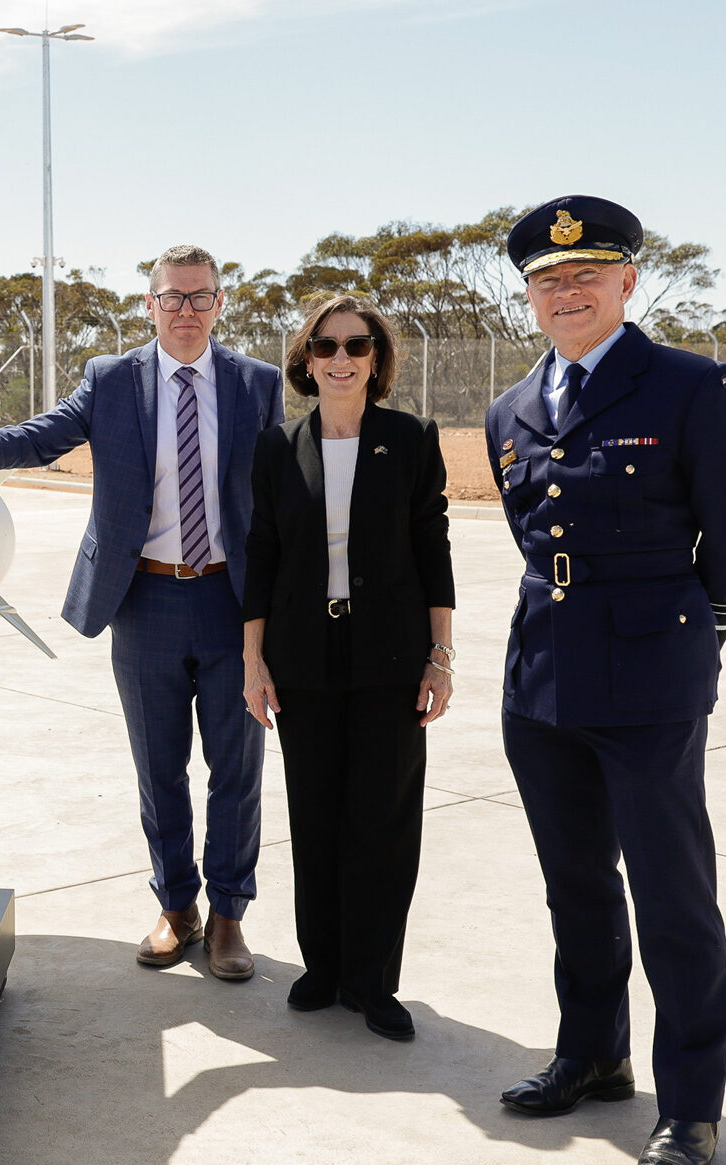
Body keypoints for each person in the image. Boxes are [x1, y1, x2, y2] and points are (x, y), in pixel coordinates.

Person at [486, 196, 726, 1165]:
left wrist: (698, 634)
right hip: (540, 678)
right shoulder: (509, 408)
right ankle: (590, 1056)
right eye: (544, 279)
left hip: (650, 673)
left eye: (583, 273)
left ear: (625, 282)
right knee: (572, 883)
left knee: (670, 894)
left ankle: (687, 1103)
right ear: (525, 295)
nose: (563, 291)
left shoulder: (694, 387)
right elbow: (534, 538)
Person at [0, 245, 284, 979]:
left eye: (200, 297)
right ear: (149, 305)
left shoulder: (255, 383)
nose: (186, 311)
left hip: (231, 601)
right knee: (158, 768)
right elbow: (44, 436)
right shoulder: (113, 380)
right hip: (143, 600)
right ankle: (178, 908)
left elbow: (277, 493)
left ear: (221, 303)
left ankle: (230, 915)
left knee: (236, 769)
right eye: (172, 298)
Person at [239, 295, 455, 1042]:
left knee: (384, 823)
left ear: (376, 358)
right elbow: (261, 551)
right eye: (325, 346)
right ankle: (322, 968)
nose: (340, 358)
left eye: (356, 346)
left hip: (390, 658)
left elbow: (434, 547)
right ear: (305, 359)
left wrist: (441, 654)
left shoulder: (411, 438)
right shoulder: (278, 446)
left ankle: (374, 980)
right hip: (302, 658)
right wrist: (252, 659)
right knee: (316, 815)